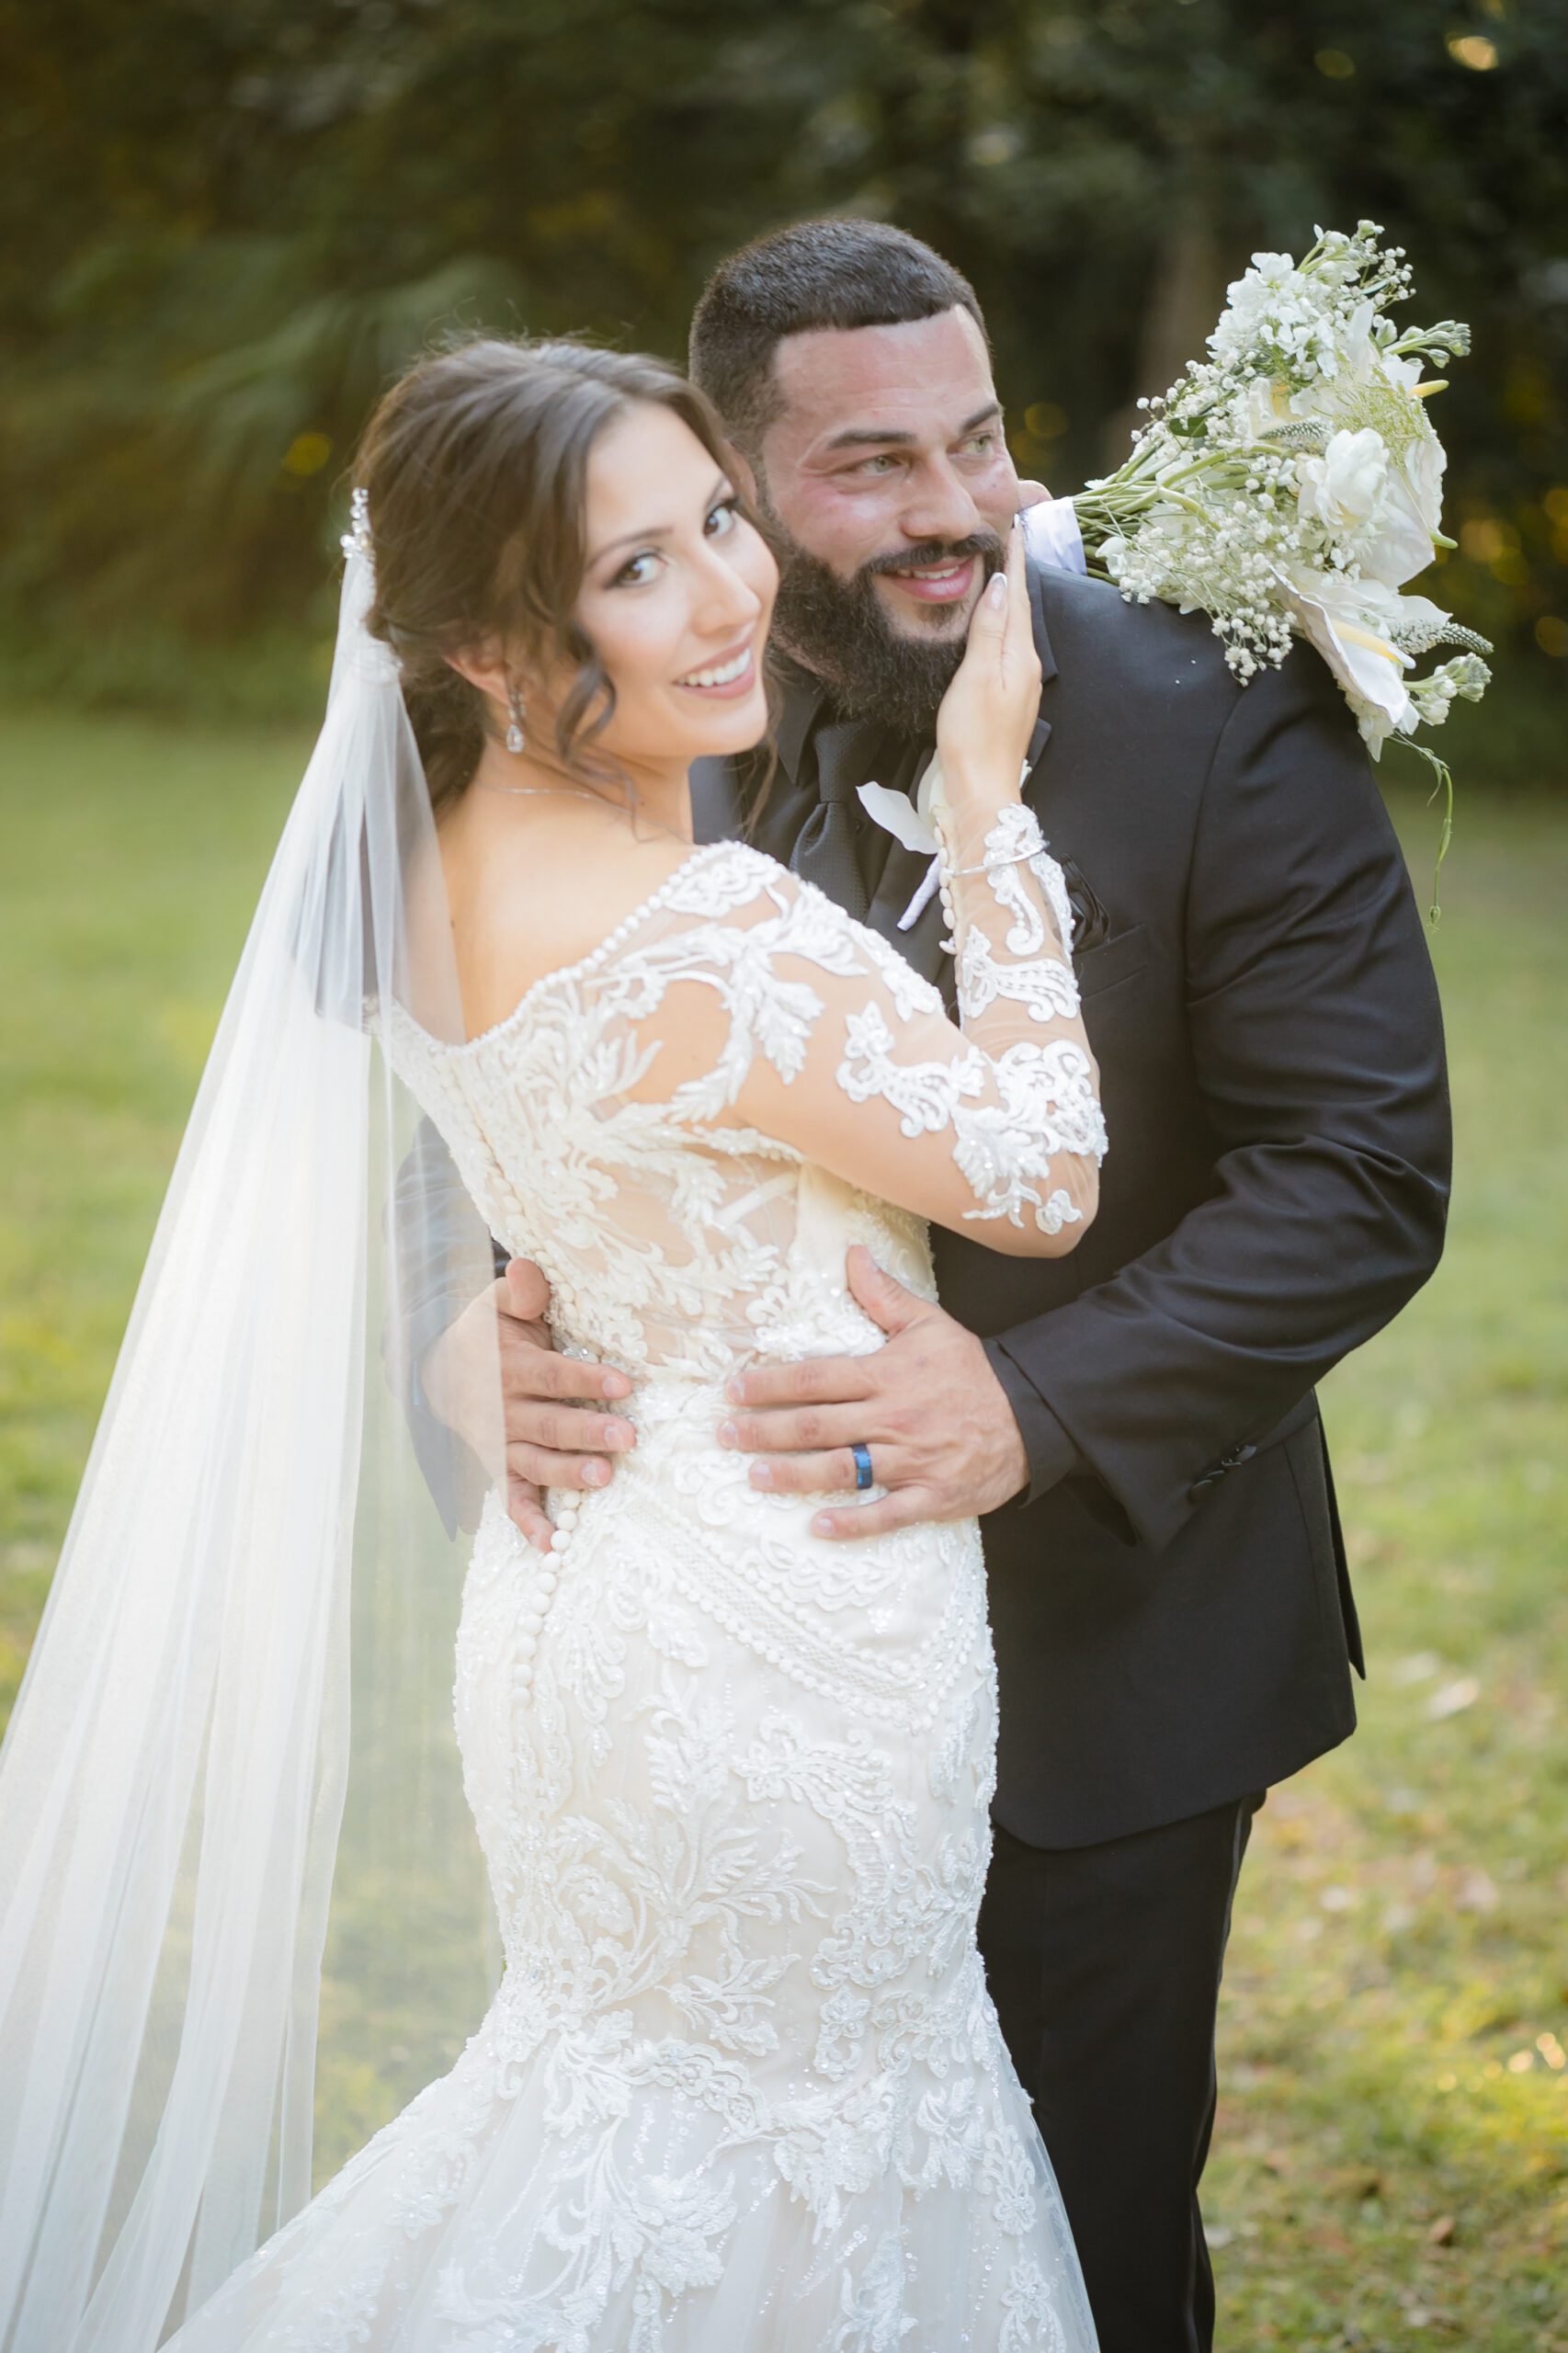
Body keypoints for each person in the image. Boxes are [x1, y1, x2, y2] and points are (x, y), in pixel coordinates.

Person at [1, 335, 1109, 2348]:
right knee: (805, 2138)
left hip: (580, 1595)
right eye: (635, 571)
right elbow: (1036, 1174)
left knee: (612, 2100)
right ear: (493, 649)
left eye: (713, 519)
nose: (726, 590)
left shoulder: (418, 878)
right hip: (788, 1615)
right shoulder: (712, 939)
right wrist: (985, 817)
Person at [413, 222, 1452, 2353]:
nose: (954, 511)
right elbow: (501, 1087)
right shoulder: (629, 697)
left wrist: (1035, 1405)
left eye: (976, 443)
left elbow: (1361, 1167)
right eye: (870, 466)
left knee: (1054, 2244)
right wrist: (458, 1328)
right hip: (717, 1670)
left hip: (1110, 1652)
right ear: (734, 473)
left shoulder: (1208, 700)